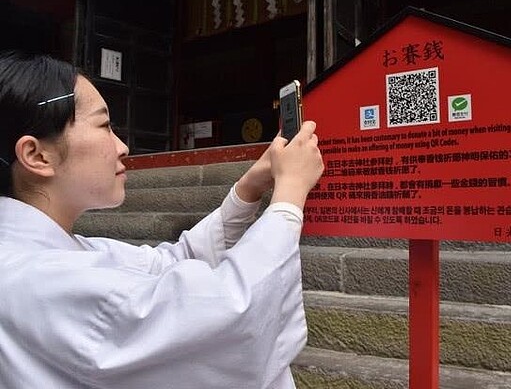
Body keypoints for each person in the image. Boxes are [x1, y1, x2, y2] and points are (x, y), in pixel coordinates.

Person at [0, 50, 324, 389]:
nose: (122, 146)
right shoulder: (42, 281)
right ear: (37, 155)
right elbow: (230, 313)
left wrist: (247, 190)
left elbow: (168, 262)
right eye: (104, 125)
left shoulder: (53, 254)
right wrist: (290, 194)